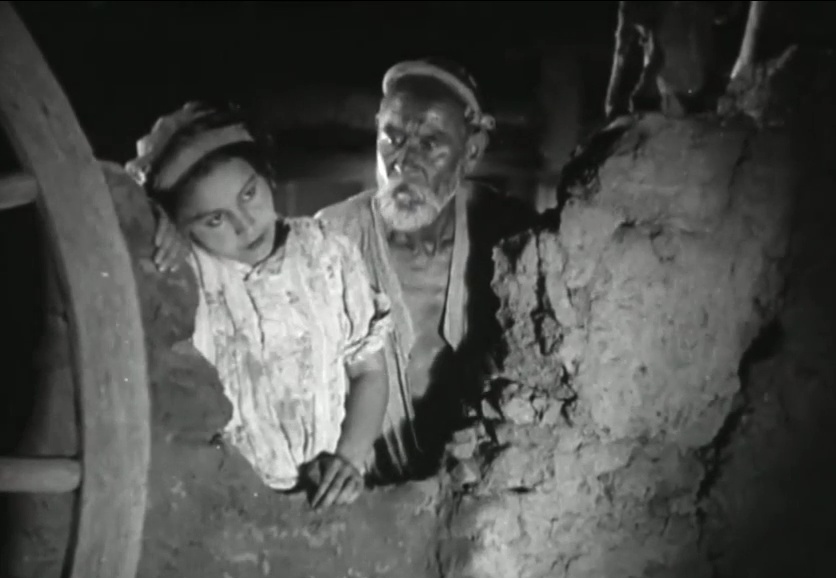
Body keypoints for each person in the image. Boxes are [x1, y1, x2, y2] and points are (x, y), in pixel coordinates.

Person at [150, 59, 540, 481]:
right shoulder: (331, 240)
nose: (404, 161)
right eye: (392, 138)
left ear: (472, 151)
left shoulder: (510, 233)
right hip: (363, 491)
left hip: (478, 484)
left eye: (430, 144)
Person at [127, 101, 393, 509]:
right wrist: (152, 225)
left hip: (330, 497)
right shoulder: (186, 279)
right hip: (228, 506)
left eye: (248, 194)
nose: (245, 224)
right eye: (214, 220)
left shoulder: (328, 255)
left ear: (267, 176)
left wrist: (348, 460)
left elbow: (369, 372)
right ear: (181, 228)